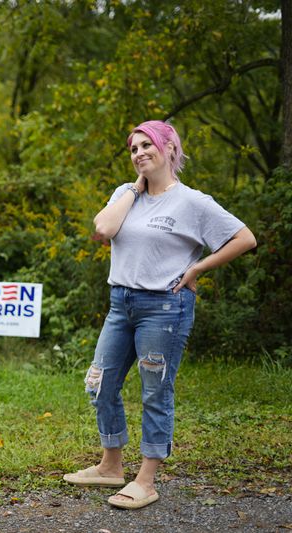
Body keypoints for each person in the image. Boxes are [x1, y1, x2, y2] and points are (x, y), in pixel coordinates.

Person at [63, 120, 257, 509]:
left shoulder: (193, 202)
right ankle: (110, 467)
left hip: (164, 308)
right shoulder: (126, 193)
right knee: (99, 384)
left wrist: (198, 268)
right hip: (122, 303)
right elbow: (103, 228)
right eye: (133, 149)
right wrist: (136, 189)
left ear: (170, 149)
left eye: (146, 145)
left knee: (155, 392)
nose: (139, 154)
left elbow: (245, 238)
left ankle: (146, 480)